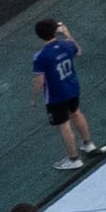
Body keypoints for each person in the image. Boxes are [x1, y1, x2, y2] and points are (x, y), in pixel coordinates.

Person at [30, 16, 96, 168]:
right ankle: (88, 143)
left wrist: (33, 97)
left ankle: (74, 159)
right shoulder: (67, 45)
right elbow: (78, 51)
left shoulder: (41, 56)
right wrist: (67, 34)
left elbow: (40, 79)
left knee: (64, 125)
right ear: (56, 31)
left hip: (56, 96)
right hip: (72, 87)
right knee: (76, 113)